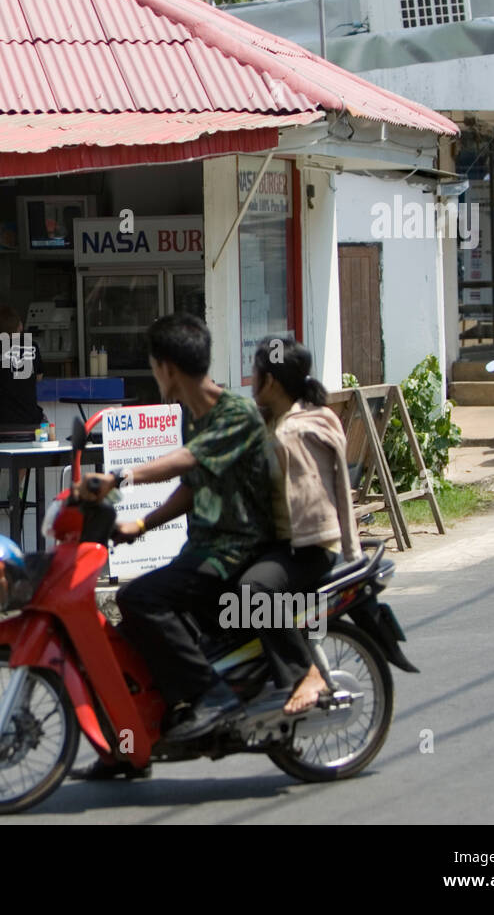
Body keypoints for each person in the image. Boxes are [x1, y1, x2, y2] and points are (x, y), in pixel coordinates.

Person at [73, 314, 273, 777]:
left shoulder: (234, 414)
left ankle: (214, 697)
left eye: (153, 365)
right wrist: (139, 523)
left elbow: (187, 461)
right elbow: (191, 485)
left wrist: (122, 476)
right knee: (132, 630)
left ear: (167, 368)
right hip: (204, 550)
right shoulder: (200, 418)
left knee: (139, 597)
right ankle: (133, 744)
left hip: (237, 554)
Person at [241, 337, 359, 715]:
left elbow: (310, 499)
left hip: (310, 549)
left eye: (255, 373)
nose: (250, 380)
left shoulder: (294, 430)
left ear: (270, 381)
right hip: (287, 544)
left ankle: (304, 675)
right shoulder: (274, 419)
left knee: (254, 588)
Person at [0, 304, 44, 428]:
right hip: (29, 418)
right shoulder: (32, 346)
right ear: (20, 326)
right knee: (45, 422)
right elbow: (38, 377)